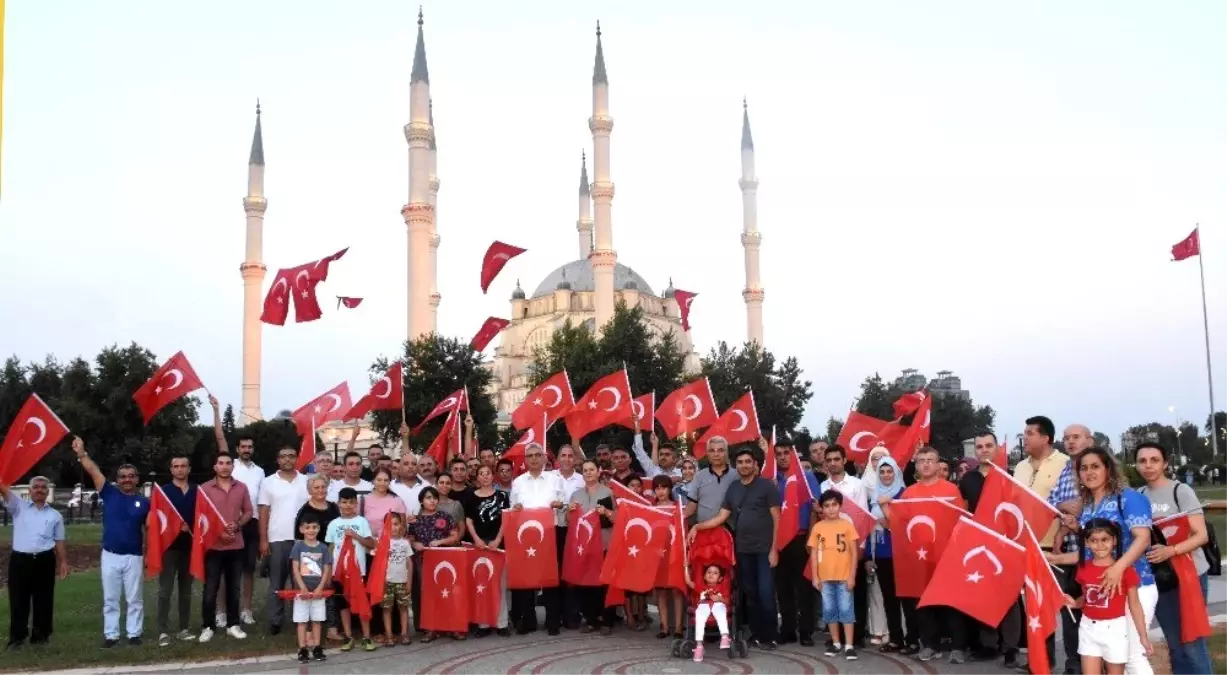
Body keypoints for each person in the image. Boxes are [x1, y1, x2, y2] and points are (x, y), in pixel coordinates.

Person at [1051, 447, 1156, 674]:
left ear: (1108, 469)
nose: (1089, 472)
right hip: (1103, 591)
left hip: (1135, 586)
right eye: (1083, 468)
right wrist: (1053, 557)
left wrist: (1118, 568)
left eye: (1095, 466)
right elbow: (1090, 554)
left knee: (1132, 657)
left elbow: (1143, 537)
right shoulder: (1088, 507)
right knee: (1114, 660)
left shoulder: (1128, 497)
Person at [689, 446, 781, 650]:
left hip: (765, 549)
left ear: (756, 465)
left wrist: (774, 549)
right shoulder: (734, 488)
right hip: (742, 549)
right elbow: (722, 517)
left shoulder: (767, 487)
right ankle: (757, 633)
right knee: (750, 592)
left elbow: (777, 518)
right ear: (736, 465)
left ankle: (770, 635)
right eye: (740, 462)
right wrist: (697, 526)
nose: (744, 465)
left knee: (766, 592)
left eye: (748, 462)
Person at [882, 445, 967, 663]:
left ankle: (958, 647)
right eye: (922, 460)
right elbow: (899, 526)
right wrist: (885, 508)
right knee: (923, 603)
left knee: (951, 603)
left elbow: (962, 523)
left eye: (931, 459)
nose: (926, 463)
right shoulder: (909, 493)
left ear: (939, 465)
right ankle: (929, 644)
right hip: (920, 558)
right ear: (916, 465)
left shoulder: (951, 490)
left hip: (947, 556)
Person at [1136, 441, 1214, 675]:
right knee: (1174, 644)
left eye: (1154, 460)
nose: (1148, 466)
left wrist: (1171, 550)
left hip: (1189, 575)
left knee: (1192, 643)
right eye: (1142, 461)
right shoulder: (1138, 496)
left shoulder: (1180, 491)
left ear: (1165, 463)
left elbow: (1201, 535)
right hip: (1159, 577)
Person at [72, 436, 149, 647]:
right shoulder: (109, 493)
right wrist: (82, 453)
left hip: (134, 555)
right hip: (110, 555)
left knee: (134, 599)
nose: (126, 479)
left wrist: (149, 553)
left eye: (130, 476)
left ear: (136, 479)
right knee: (111, 598)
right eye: (123, 476)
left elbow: (149, 529)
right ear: (118, 479)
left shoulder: (144, 502)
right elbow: (94, 471)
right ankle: (111, 635)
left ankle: (134, 634)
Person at [959, 431, 1025, 666]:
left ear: (997, 448)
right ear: (975, 451)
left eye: (989, 445)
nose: (984, 450)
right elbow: (964, 512)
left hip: (1007, 544)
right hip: (978, 545)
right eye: (980, 447)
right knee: (983, 594)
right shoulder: (968, 480)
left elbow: (1019, 512)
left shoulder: (1011, 477)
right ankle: (989, 644)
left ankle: (1010, 648)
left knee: (1009, 598)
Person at [1071, 519, 1153, 675]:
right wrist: (1075, 603)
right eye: (1094, 541)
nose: (1100, 545)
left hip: (1114, 630)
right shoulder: (1082, 568)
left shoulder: (1126, 570)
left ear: (1114, 540)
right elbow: (1088, 597)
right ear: (1086, 543)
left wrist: (1143, 636)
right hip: (1088, 628)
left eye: (1105, 540)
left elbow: (1135, 605)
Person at [1047, 423, 1096, 673]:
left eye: (1076, 437)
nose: (1070, 442)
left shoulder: (1097, 468)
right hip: (1069, 552)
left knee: (1094, 609)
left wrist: (1074, 509)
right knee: (1069, 610)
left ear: (1090, 439)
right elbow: (1053, 502)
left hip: (1097, 553)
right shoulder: (1066, 468)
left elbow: (1089, 504)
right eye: (1066, 438)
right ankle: (1073, 664)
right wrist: (1068, 512)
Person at [0, 475, 68, 649]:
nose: (39, 490)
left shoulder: (55, 516)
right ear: (29, 491)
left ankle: (41, 636)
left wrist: (63, 562)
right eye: (36, 487)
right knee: (18, 600)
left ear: (47, 492)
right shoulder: (18, 507)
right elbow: (3, 488)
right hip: (20, 560)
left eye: (43, 487)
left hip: (45, 560)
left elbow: (59, 541)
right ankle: (17, 639)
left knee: (44, 600)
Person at [767, 435, 821, 646]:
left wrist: (810, 538)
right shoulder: (771, 479)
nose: (782, 457)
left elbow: (815, 509)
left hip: (801, 539)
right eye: (777, 454)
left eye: (785, 453)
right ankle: (788, 630)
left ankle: (806, 631)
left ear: (793, 453)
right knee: (783, 588)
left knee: (805, 588)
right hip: (778, 542)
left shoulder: (806, 477)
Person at [508, 442, 566, 635]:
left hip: (550, 533)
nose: (533, 458)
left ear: (544, 458)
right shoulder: (518, 482)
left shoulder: (555, 479)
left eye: (537, 455)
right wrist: (515, 511)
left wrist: (560, 504)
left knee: (551, 577)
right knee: (527, 579)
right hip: (525, 537)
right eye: (530, 455)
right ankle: (529, 620)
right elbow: (513, 510)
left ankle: (552, 621)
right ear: (525, 460)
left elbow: (565, 504)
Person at [819, 444, 871, 647]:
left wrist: (860, 548)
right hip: (831, 550)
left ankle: (856, 636)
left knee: (853, 591)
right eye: (829, 460)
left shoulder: (857, 485)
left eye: (836, 459)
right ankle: (837, 637)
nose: (833, 463)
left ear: (844, 459)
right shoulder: (823, 487)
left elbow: (863, 518)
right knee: (833, 591)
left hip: (851, 545)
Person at [199, 453, 254, 643]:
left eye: (228, 463)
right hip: (213, 546)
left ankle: (233, 625)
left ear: (233, 466)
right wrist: (217, 532)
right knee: (210, 588)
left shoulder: (241, 487)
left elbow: (249, 511)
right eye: (220, 463)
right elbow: (201, 517)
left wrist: (238, 524)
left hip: (236, 544)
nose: (224, 466)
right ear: (215, 466)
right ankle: (207, 626)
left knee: (233, 588)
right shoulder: (205, 489)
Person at [258, 445, 309, 636]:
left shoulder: (306, 481)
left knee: (301, 581)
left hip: (303, 540)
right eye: (283, 456)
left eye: (291, 456)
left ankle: (301, 619)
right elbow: (263, 511)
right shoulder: (268, 482)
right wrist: (263, 540)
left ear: (297, 459)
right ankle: (276, 620)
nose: (288, 459)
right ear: (278, 460)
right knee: (277, 583)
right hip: (277, 538)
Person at [808, 489, 860, 661]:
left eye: (834, 505)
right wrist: (815, 576)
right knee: (829, 610)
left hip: (844, 576)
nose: (831, 509)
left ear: (840, 506)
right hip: (825, 577)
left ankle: (849, 645)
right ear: (822, 508)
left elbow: (854, 553)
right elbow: (814, 554)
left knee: (846, 609)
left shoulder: (847, 525)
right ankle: (836, 642)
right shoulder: (818, 527)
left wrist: (852, 576)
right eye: (827, 506)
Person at [325, 488, 378, 652]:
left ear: (356, 504)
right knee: (343, 605)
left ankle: (367, 636)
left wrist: (356, 536)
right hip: (339, 572)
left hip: (358, 571)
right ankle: (348, 636)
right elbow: (330, 548)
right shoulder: (333, 524)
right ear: (339, 503)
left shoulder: (362, 521)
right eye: (344, 502)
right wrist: (328, 572)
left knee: (361, 602)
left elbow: (371, 544)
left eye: (351, 502)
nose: (347, 505)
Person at [568, 459, 617, 634]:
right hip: (584, 546)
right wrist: (570, 511)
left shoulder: (607, 492)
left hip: (603, 543)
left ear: (598, 472)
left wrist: (607, 512)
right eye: (585, 470)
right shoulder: (576, 495)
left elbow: (617, 519)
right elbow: (569, 522)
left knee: (604, 584)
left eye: (591, 469)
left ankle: (606, 620)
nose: (588, 473)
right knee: (585, 583)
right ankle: (590, 618)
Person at [465, 464, 512, 637]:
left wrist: (498, 539)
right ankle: (483, 624)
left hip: (498, 546)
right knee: (481, 585)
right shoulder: (471, 497)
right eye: (481, 474)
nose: (485, 476)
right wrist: (476, 539)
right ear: (477, 477)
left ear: (493, 476)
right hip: (479, 546)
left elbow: (506, 519)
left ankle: (502, 623)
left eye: (488, 473)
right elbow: (468, 521)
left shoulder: (502, 496)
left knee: (500, 585)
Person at [409, 487, 462, 641]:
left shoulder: (445, 517)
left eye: (434, 498)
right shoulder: (415, 520)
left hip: (444, 561)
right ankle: (430, 629)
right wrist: (415, 543)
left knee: (448, 593)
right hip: (423, 561)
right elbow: (410, 538)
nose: (431, 500)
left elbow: (455, 536)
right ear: (421, 501)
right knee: (428, 595)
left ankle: (453, 627)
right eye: (428, 498)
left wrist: (440, 542)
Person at [157, 453, 197, 647]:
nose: (180, 469)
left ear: (189, 469)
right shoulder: (163, 492)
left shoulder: (198, 491)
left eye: (183, 466)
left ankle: (184, 628)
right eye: (176, 466)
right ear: (171, 470)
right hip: (169, 548)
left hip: (189, 548)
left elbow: (203, 517)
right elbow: (157, 520)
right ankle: (163, 631)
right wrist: (175, 527)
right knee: (165, 590)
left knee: (186, 591)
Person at [868, 455, 906, 654]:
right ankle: (895, 638)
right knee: (889, 598)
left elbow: (905, 525)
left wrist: (887, 513)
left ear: (896, 472)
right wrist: (868, 556)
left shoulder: (903, 494)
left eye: (889, 471)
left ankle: (912, 637)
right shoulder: (874, 496)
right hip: (881, 553)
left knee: (906, 599)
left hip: (901, 553)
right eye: (881, 472)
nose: (885, 475)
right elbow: (867, 527)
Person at [548, 442, 585, 629]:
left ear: (575, 459)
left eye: (571, 456)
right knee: (554, 571)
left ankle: (572, 614)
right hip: (553, 528)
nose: (567, 459)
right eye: (563, 455)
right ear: (558, 459)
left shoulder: (581, 479)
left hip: (574, 530)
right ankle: (554, 616)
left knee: (571, 573)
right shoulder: (549, 477)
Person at [229, 432, 264, 628]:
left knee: (249, 569)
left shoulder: (259, 471)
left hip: (253, 523)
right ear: (237, 449)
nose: (246, 450)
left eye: (249, 447)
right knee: (228, 570)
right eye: (243, 447)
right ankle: (222, 612)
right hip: (232, 522)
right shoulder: (230, 467)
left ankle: (247, 610)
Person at [289, 512, 332, 664]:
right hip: (302, 592)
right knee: (301, 621)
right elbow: (295, 568)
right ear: (301, 530)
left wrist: (320, 588)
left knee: (317, 620)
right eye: (307, 528)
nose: (311, 530)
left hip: (318, 592)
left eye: (314, 527)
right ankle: (302, 649)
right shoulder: (298, 546)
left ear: (319, 529)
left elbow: (326, 569)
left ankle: (317, 647)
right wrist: (302, 587)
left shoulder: (323, 548)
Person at [650, 475, 684, 639]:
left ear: (670, 489)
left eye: (664, 487)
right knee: (661, 592)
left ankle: (678, 627)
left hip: (674, 553)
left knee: (676, 590)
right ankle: (663, 626)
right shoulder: (649, 508)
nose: (660, 491)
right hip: (656, 555)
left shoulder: (678, 507)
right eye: (657, 488)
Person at [685, 563, 732, 663]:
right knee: (699, 618)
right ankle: (699, 646)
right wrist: (685, 567)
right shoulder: (701, 587)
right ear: (704, 576)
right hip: (704, 605)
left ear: (720, 578)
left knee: (721, 613)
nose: (711, 574)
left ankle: (724, 636)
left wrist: (719, 598)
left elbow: (728, 602)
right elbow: (689, 582)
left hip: (718, 604)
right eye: (709, 572)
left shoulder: (722, 588)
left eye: (715, 573)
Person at [380, 512, 414, 646]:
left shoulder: (405, 543)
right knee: (387, 609)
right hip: (386, 582)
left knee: (403, 608)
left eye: (396, 524)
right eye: (390, 524)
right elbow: (379, 564)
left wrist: (409, 581)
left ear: (401, 525)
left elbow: (409, 563)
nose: (393, 527)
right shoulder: (382, 542)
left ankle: (404, 633)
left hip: (402, 581)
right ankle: (389, 635)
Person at [685, 436, 734, 525]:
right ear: (707, 453)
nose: (716, 454)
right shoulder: (699, 476)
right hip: (703, 530)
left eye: (720, 450)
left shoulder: (737, 475)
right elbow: (691, 506)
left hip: (729, 532)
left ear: (726, 453)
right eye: (712, 451)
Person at [362, 467, 407, 540]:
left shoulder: (397, 501)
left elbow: (403, 527)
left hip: (391, 546)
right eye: (379, 480)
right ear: (373, 480)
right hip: (370, 546)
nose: (382, 483)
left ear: (390, 482)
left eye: (386, 480)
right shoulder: (363, 500)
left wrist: (394, 543)